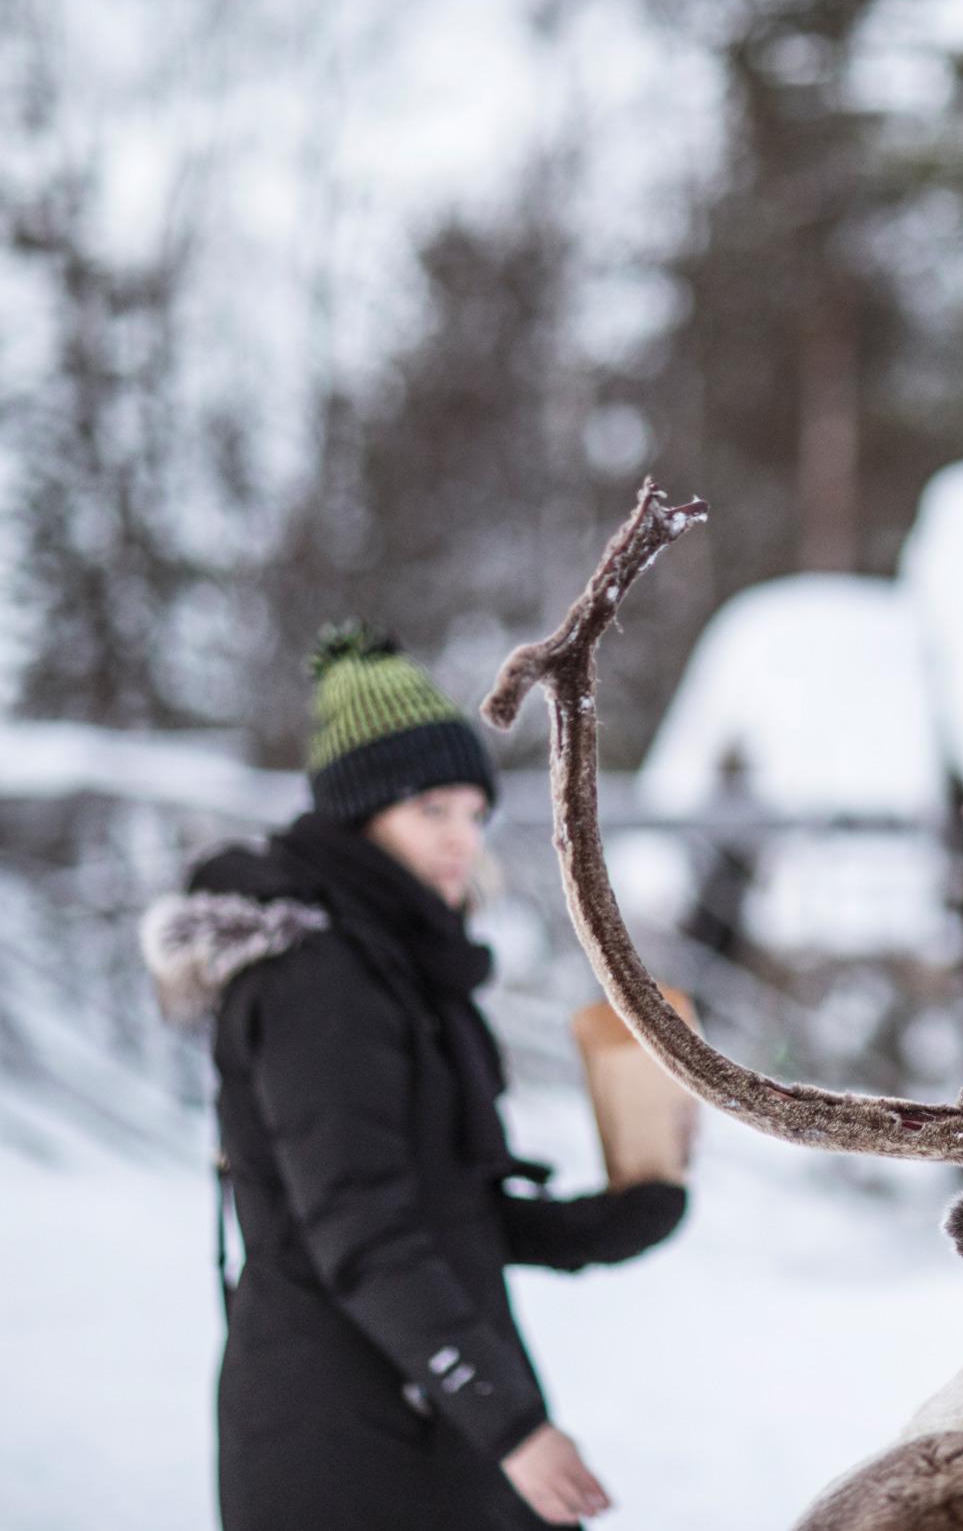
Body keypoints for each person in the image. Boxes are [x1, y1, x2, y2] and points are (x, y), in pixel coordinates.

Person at [144, 624, 688, 1530]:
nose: (461, 841)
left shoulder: (399, 965)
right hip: (344, 1441)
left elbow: (445, 1206)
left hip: (423, 1410)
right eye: (431, 809)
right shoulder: (318, 977)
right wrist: (511, 1424)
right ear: (363, 812)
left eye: (474, 814)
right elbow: (360, 1227)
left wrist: (628, 1209)